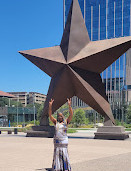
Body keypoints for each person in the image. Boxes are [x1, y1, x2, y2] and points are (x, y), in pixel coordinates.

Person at [49, 98, 73, 171]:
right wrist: (50, 106)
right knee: (57, 154)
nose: (60, 117)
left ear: (63, 116)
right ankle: (57, 167)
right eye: (59, 116)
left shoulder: (66, 122)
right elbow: (50, 115)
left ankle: (65, 167)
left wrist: (69, 106)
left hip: (64, 141)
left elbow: (71, 114)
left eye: (61, 115)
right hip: (57, 141)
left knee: (64, 154)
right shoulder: (55, 122)